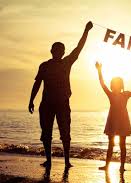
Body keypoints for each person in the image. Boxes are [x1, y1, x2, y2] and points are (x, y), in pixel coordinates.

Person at [28, 21, 93, 168]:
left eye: (61, 50)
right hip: (46, 104)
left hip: (63, 103)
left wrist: (86, 31)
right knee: (46, 134)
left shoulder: (66, 62)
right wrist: (31, 100)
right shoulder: (44, 66)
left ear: (63, 52)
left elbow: (79, 47)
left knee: (65, 133)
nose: (59, 52)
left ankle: (67, 161)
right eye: (56, 49)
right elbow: (37, 83)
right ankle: (49, 160)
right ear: (51, 51)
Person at [95, 62, 131, 172]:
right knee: (111, 144)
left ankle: (122, 166)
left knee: (122, 144)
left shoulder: (125, 94)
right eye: (114, 84)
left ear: (121, 86)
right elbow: (102, 83)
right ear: (112, 86)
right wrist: (99, 70)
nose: (115, 86)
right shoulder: (110, 94)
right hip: (113, 120)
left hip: (122, 121)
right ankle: (107, 166)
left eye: (118, 84)